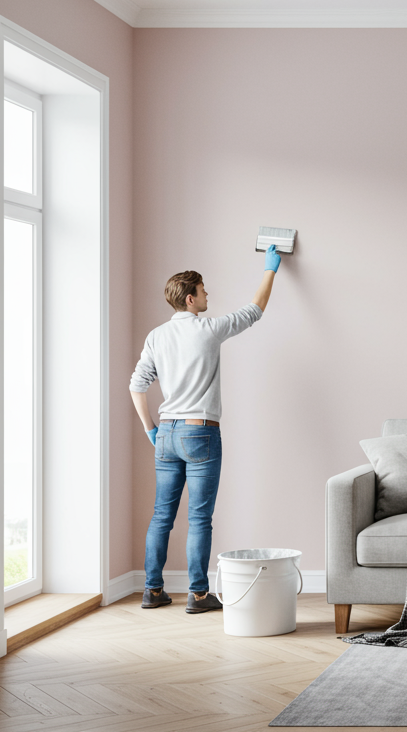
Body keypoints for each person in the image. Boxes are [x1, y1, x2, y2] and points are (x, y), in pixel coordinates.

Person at [128, 245, 282, 612]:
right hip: (200, 433)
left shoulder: (156, 336)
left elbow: (137, 385)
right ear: (190, 297)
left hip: (165, 433)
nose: (208, 295)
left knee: (161, 516)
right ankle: (198, 594)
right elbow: (255, 310)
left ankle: (153, 590)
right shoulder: (209, 330)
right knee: (199, 517)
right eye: (204, 290)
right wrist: (270, 270)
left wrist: (150, 429)